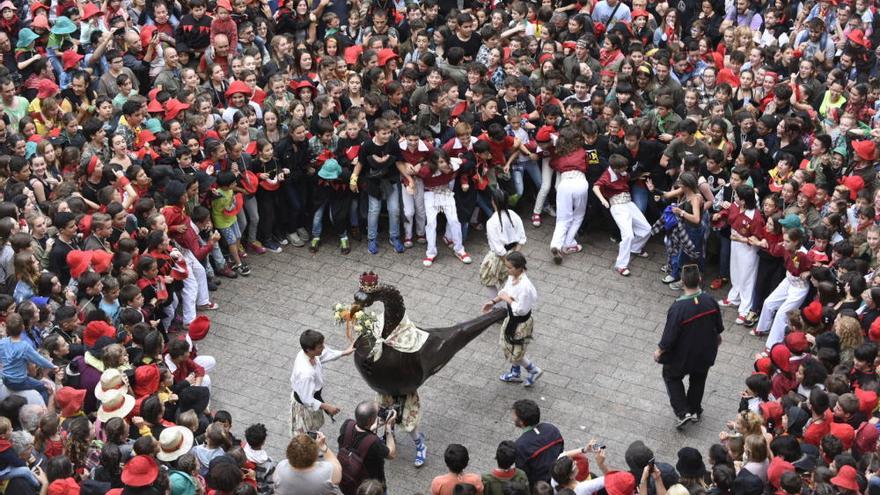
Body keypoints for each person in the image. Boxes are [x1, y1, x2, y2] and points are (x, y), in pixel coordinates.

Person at [654, 265, 724, 430]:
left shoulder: (678, 307)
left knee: (671, 376)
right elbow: (718, 328)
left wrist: (660, 351)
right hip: (706, 352)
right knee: (699, 378)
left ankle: (682, 412)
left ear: (683, 282)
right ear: (699, 279)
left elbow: (669, 337)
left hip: (683, 356)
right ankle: (694, 409)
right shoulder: (710, 301)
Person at [482, 252, 541, 386]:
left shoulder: (525, 287)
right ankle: (515, 373)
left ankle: (534, 370)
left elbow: (521, 309)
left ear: (519, 268)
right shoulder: (513, 277)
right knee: (508, 346)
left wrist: (506, 299)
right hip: (512, 319)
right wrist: (493, 301)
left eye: (509, 268)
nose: (507, 270)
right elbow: (505, 290)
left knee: (515, 351)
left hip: (520, 323)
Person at [593, 154, 652, 276]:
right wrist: (603, 200)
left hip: (628, 203)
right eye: (623, 168)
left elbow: (628, 177)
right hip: (618, 206)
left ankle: (635, 248)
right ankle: (621, 264)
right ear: (616, 168)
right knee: (628, 235)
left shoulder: (622, 172)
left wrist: (639, 176)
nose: (625, 170)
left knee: (647, 228)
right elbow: (596, 187)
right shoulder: (607, 175)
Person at [290, 329, 354, 435]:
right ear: (309, 350)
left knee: (313, 429)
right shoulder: (306, 373)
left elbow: (324, 355)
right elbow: (307, 399)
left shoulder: (306, 353)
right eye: (320, 347)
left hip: (312, 398)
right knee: (306, 433)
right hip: (305, 406)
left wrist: (345, 353)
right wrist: (327, 406)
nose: (323, 348)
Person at [337, 401, 397, 495]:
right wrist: (388, 428)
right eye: (377, 413)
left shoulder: (347, 425)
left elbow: (360, 434)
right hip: (371, 489)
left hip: (350, 482)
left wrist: (374, 426)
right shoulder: (374, 442)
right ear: (370, 420)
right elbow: (391, 454)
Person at [480, 188, 526, 299]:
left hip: (499, 257)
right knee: (510, 283)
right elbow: (522, 239)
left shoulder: (491, 222)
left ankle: (498, 306)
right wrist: (515, 257)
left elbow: (499, 249)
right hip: (515, 253)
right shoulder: (514, 215)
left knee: (487, 279)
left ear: (493, 202)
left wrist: (508, 263)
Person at [511, 399, 563, 487]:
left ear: (521, 422)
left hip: (539, 487)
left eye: (514, 415)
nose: (512, 417)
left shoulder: (521, 445)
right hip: (559, 478)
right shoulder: (552, 429)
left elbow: (523, 474)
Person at [273, 432, 343, 494]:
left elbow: (274, 479)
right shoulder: (327, 472)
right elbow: (337, 469)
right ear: (315, 455)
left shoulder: (281, 467)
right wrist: (323, 446)